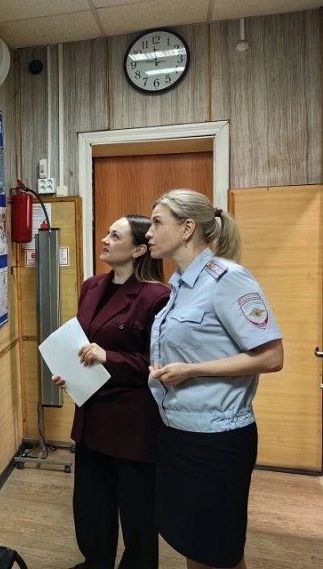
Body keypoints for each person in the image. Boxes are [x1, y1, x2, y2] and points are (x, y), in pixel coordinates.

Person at [145, 190, 284, 569]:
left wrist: (192, 370)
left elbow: (271, 357)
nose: (149, 232)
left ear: (187, 228)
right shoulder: (178, 284)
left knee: (218, 552)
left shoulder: (228, 279)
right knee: (194, 544)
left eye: (157, 222)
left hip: (216, 441)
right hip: (177, 433)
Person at [52, 215, 169, 569]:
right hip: (91, 416)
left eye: (115, 236)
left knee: (137, 517)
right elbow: (82, 342)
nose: (105, 239)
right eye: (107, 233)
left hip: (132, 423)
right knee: (91, 508)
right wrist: (69, 371)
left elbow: (159, 364)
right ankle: (95, 563)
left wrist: (109, 357)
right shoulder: (91, 286)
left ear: (138, 250)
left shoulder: (157, 297)